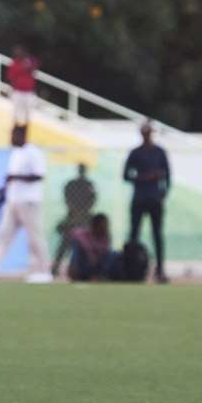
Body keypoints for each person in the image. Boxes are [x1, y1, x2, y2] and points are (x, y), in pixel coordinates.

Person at [0, 125, 53, 283]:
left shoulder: (32, 152)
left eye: (13, 135)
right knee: (4, 233)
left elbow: (39, 175)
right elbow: (12, 177)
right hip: (14, 199)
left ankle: (44, 270)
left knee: (34, 236)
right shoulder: (16, 152)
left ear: (21, 135)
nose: (11, 138)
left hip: (29, 200)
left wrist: (16, 178)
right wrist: (5, 188)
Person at [124, 121, 171, 283]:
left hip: (154, 199)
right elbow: (126, 175)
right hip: (139, 198)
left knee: (157, 234)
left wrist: (163, 193)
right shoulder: (135, 153)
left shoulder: (159, 152)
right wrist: (144, 178)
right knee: (134, 234)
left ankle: (159, 270)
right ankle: (131, 270)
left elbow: (168, 175)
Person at [52, 163, 96, 275]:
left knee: (87, 245)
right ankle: (55, 267)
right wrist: (75, 210)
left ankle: (90, 269)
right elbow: (67, 198)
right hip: (73, 217)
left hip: (84, 218)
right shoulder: (72, 184)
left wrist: (83, 211)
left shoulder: (89, 184)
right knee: (65, 243)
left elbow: (92, 200)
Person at [68, 213, 117, 282]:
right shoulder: (85, 233)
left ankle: (101, 276)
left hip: (98, 263)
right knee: (77, 248)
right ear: (96, 224)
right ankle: (75, 272)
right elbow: (75, 232)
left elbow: (105, 251)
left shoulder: (106, 236)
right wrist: (88, 251)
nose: (106, 226)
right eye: (104, 224)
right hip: (86, 263)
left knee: (114, 254)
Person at [6, 45, 38, 124]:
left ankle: (25, 130)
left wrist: (26, 64)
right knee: (16, 113)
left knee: (28, 114)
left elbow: (33, 71)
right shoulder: (14, 63)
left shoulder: (30, 61)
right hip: (18, 91)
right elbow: (10, 77)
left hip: (29, 92)